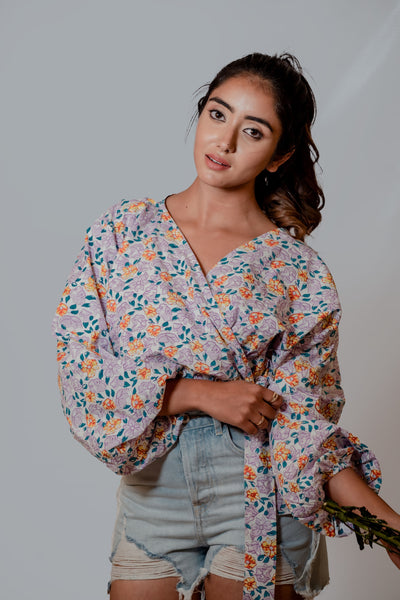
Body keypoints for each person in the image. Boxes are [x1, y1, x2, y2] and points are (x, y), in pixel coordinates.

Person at [52, 53, 400, 600]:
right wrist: (196, 393)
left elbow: (303, 424)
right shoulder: (122, 232)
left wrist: (389, 528)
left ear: (280, 154)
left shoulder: (297, 270)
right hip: (153, 494)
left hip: (259, 492)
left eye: (253, 131)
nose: (226, 141)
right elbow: (81, 373)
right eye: (218, 114)